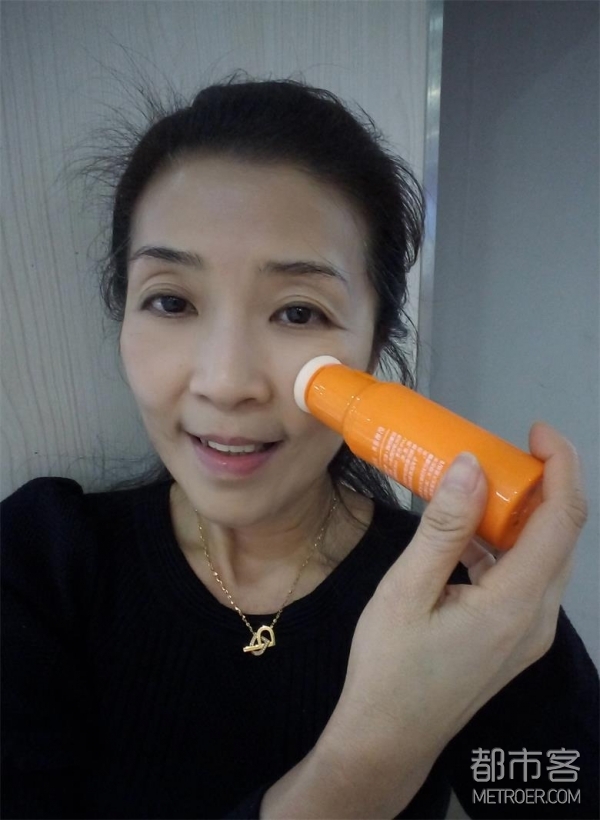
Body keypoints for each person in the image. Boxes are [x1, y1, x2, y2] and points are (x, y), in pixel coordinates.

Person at [1, 76, 598, 820]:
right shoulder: (42, 559)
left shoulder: (468, 602)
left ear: (374, 345)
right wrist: (371, 759)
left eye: (298, 312)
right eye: (171, 301)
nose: (227, 383)